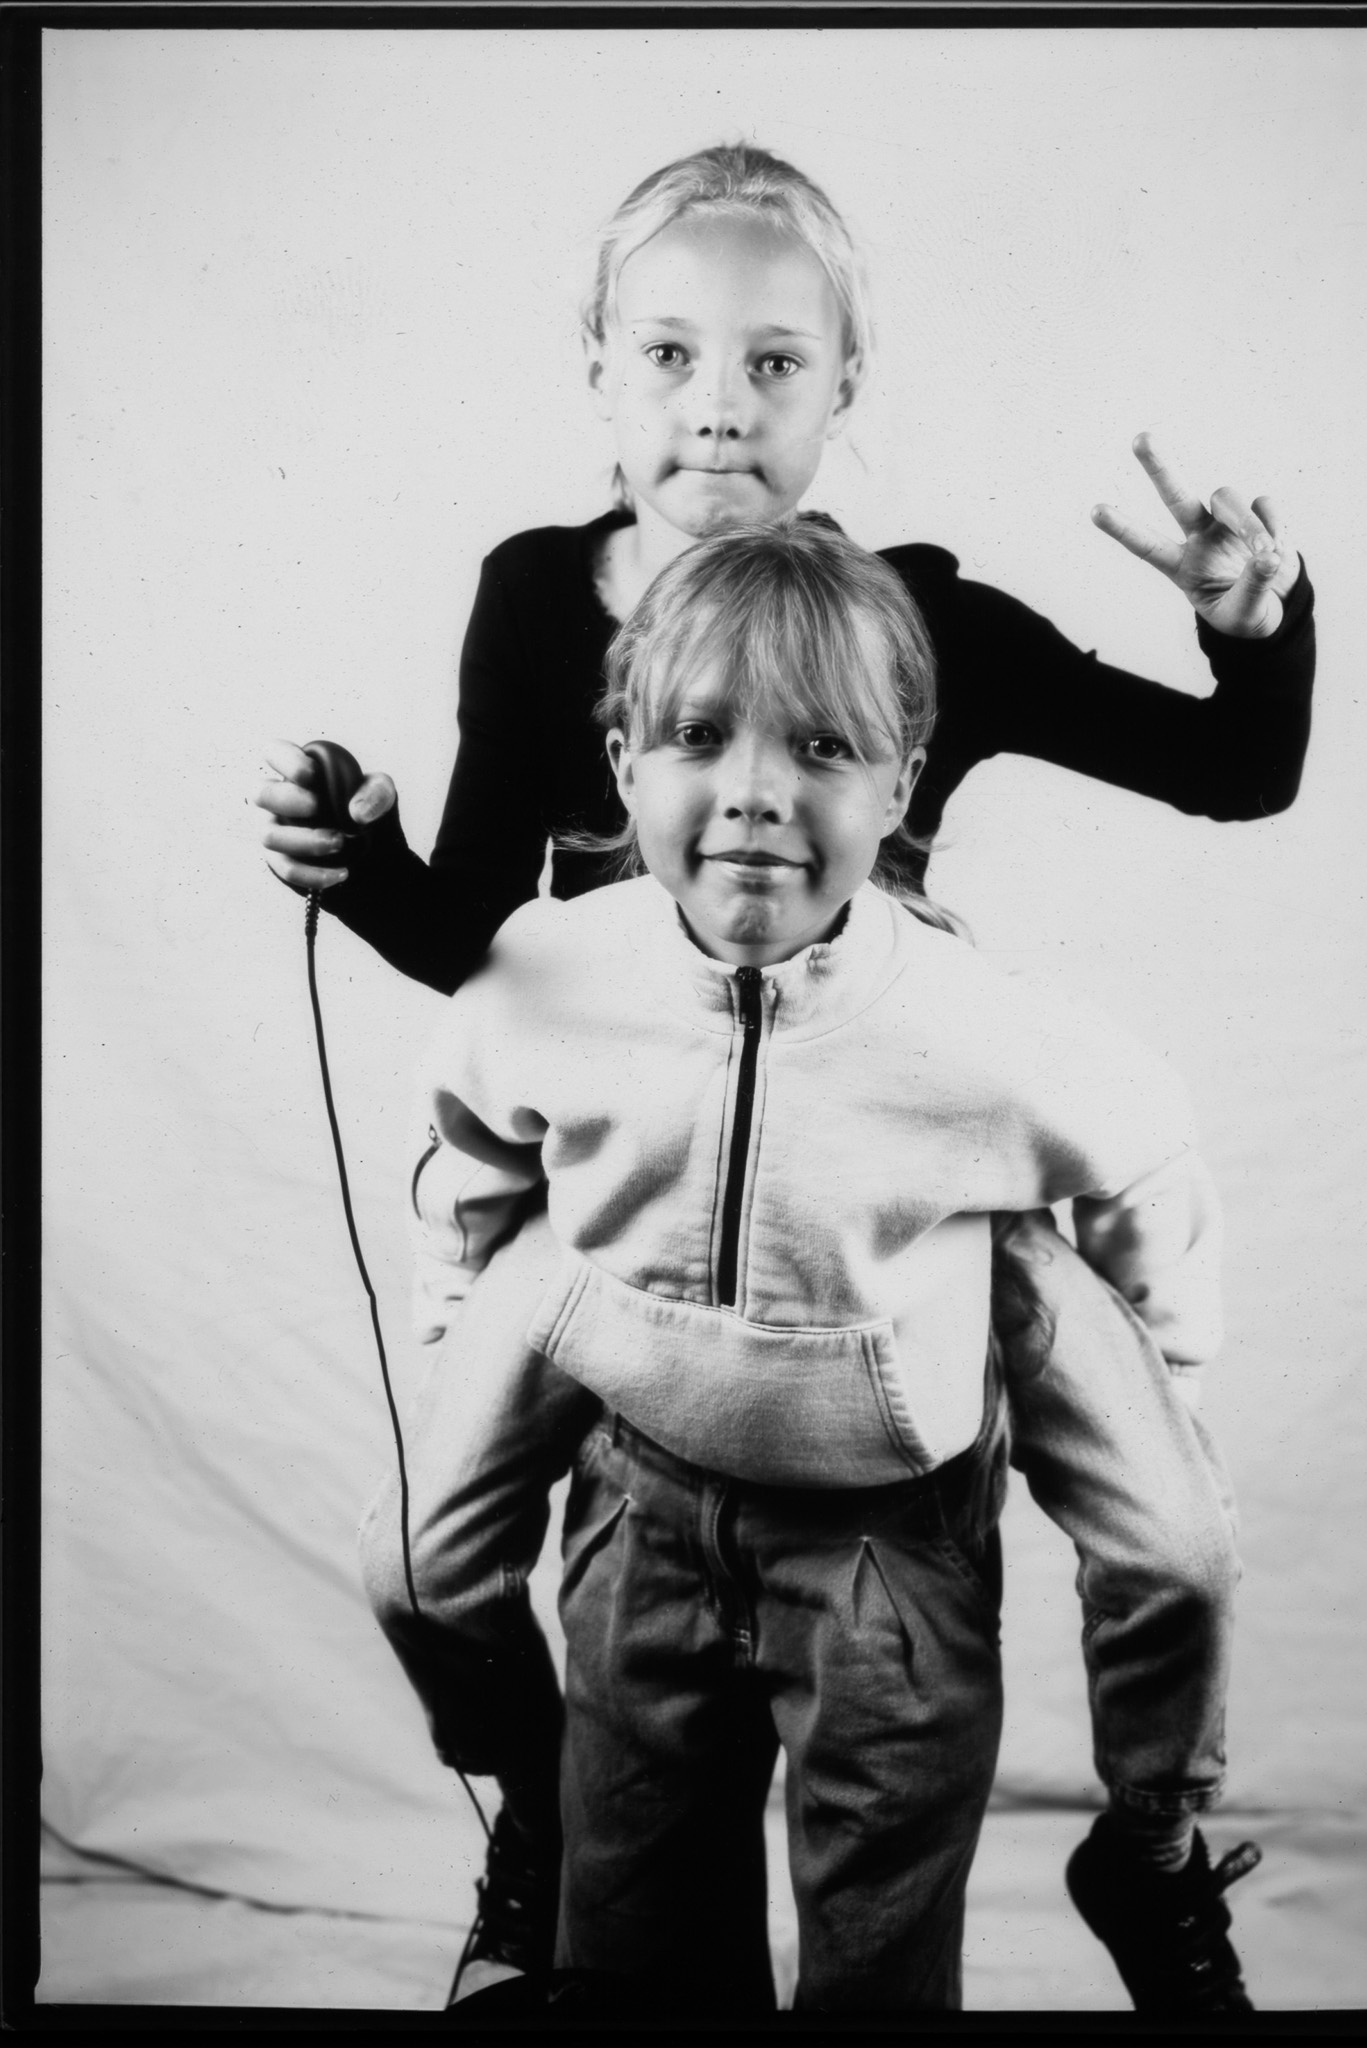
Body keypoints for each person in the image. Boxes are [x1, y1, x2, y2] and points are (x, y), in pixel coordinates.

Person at [265, 143, 1313, 2013]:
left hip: (894, 1171)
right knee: (423, 1554)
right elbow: (484, 948)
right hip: (636, 1181)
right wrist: (371, 863)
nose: (716, 409)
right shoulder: (537, 601)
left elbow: (1233, 779)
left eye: (771, 364)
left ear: (844, 386)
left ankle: (1150, 1850)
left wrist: (1252, 633)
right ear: (595, 368)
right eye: (667, 357)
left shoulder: (921, 618)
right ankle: (541, 1798)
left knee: (1174, 1542)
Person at [373, 518, 1246, 2013]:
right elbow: (473, 1135)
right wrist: (473, 1314)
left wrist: (1156, 1353)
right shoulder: (547, 971)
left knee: (884, 1953)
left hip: (880, 1556)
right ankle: (541, 1805)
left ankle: (1154, 1841)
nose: (756, 798)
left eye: (825, 747)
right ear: (622, 760)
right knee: (630, 1944)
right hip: (641, 1518)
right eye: (700, 737)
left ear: (903, 781)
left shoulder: (970, 1023)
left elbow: (1143, 1146)